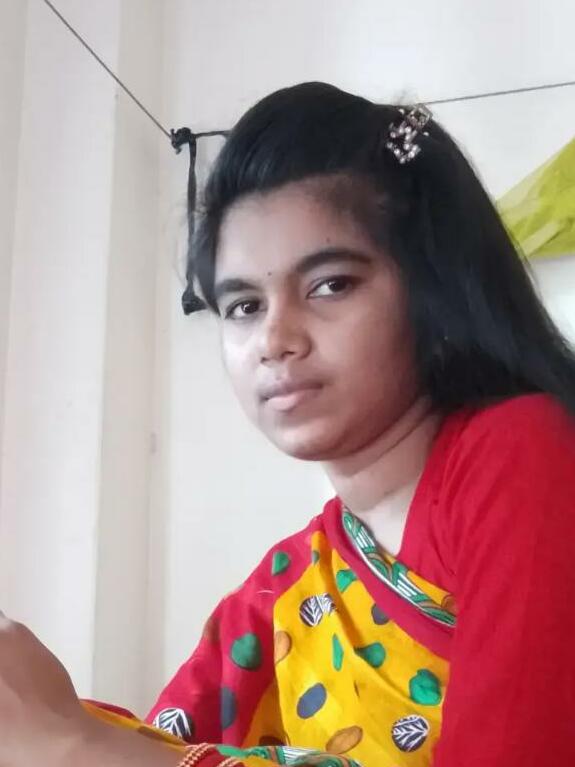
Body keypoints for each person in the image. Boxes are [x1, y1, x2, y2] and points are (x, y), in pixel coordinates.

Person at [1, 82, 575, 767]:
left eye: (330, 284)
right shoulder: (287, 589)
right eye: (243, 305)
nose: (274, 339)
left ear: (433, 291)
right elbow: (151, 746)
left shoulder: (519, 451)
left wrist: (72, 743)